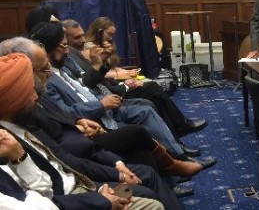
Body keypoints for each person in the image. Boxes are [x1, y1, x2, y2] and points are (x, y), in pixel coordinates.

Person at [0, 36, 204, 185]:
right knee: (138, 130)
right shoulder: (27, 98)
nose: (68, 49)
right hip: (80, 147)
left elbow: (83, 93)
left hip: (93, 117)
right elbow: (54, 148)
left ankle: (173, 165)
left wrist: (79, 123)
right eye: (64, 44)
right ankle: (175, 163)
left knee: (144, 126)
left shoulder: (58, 70)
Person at [0, 53, 165, 210]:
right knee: (149, 200)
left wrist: (110, 181)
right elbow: (44, 197)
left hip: (81, 185)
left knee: (143, 169)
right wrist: (100, 201)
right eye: (29, 92)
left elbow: (63, 161)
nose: (36, 97)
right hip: (72, 198)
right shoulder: (6, 144)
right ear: (14, 100)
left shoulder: (23, 123)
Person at [63, 19, 207, 141]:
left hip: (109, 88)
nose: (82, 40)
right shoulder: (81, 53)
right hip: (104, 95)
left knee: (152, 91)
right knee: (151, 93)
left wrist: (107, 63)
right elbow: (89, 81)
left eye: (82, 36)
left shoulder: (84, 52)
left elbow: (100, 74)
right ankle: (179, 132)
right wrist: (123, 83)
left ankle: (177, 136)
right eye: (76, 38)